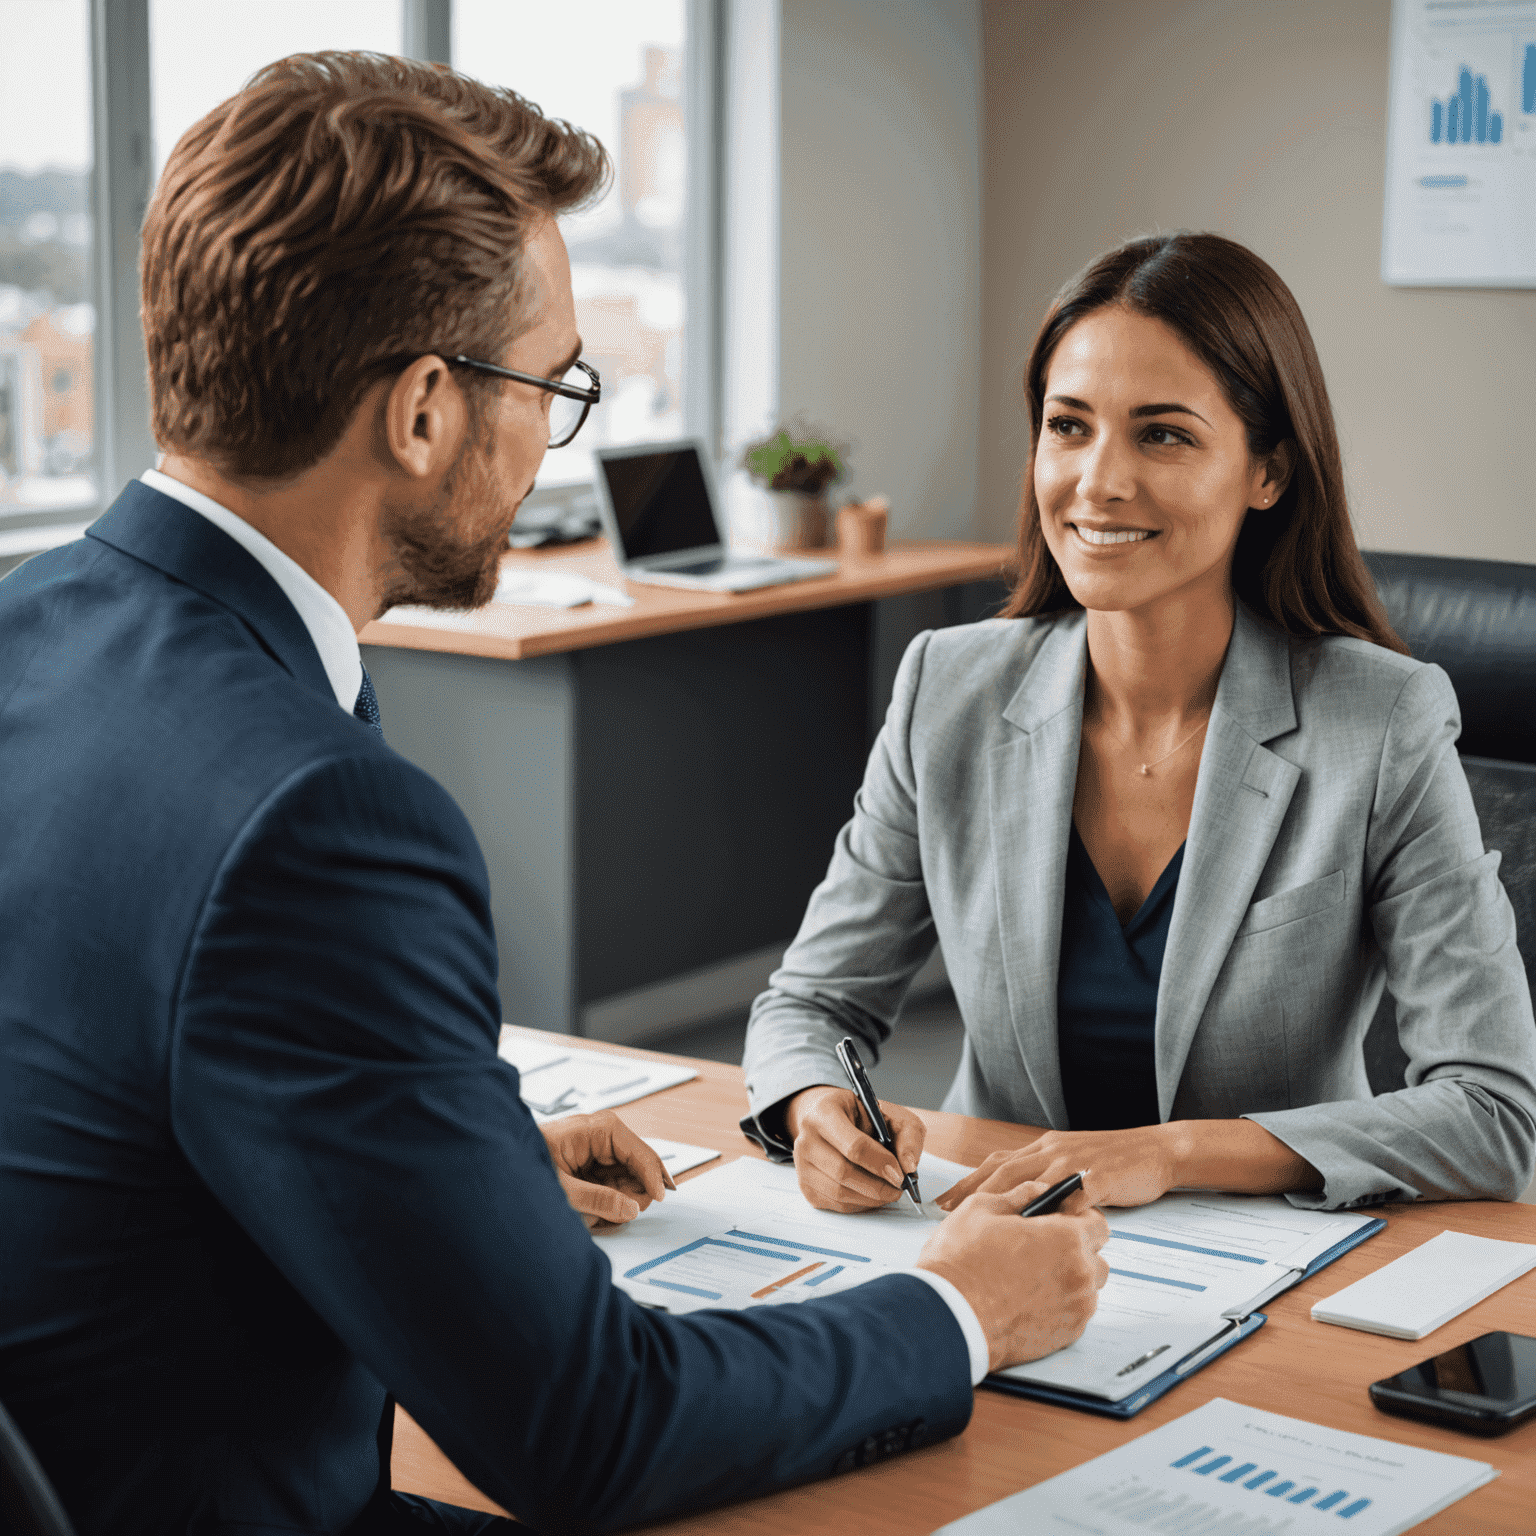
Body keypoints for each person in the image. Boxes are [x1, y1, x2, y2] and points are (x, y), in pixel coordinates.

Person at [0, 52, 1113, 1536]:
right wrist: (956, 1312)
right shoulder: (314, 822)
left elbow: (85, 1106)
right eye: (555, 385)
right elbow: (591, 1432)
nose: (549, 438)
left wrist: (451, 1169)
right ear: (420, 412)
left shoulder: (33, 634)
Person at [742, 231, 1536, 1220]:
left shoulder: (1381, 724)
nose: (1098, 481)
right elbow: (812, 1004)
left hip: (1268, 1258)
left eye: (1163, 434)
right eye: (1068, 427)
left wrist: (1168, 1154)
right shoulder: (946, 688)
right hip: (994, 1228)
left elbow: (1493, 1114)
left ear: (1270, 473)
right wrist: (816, 1104)